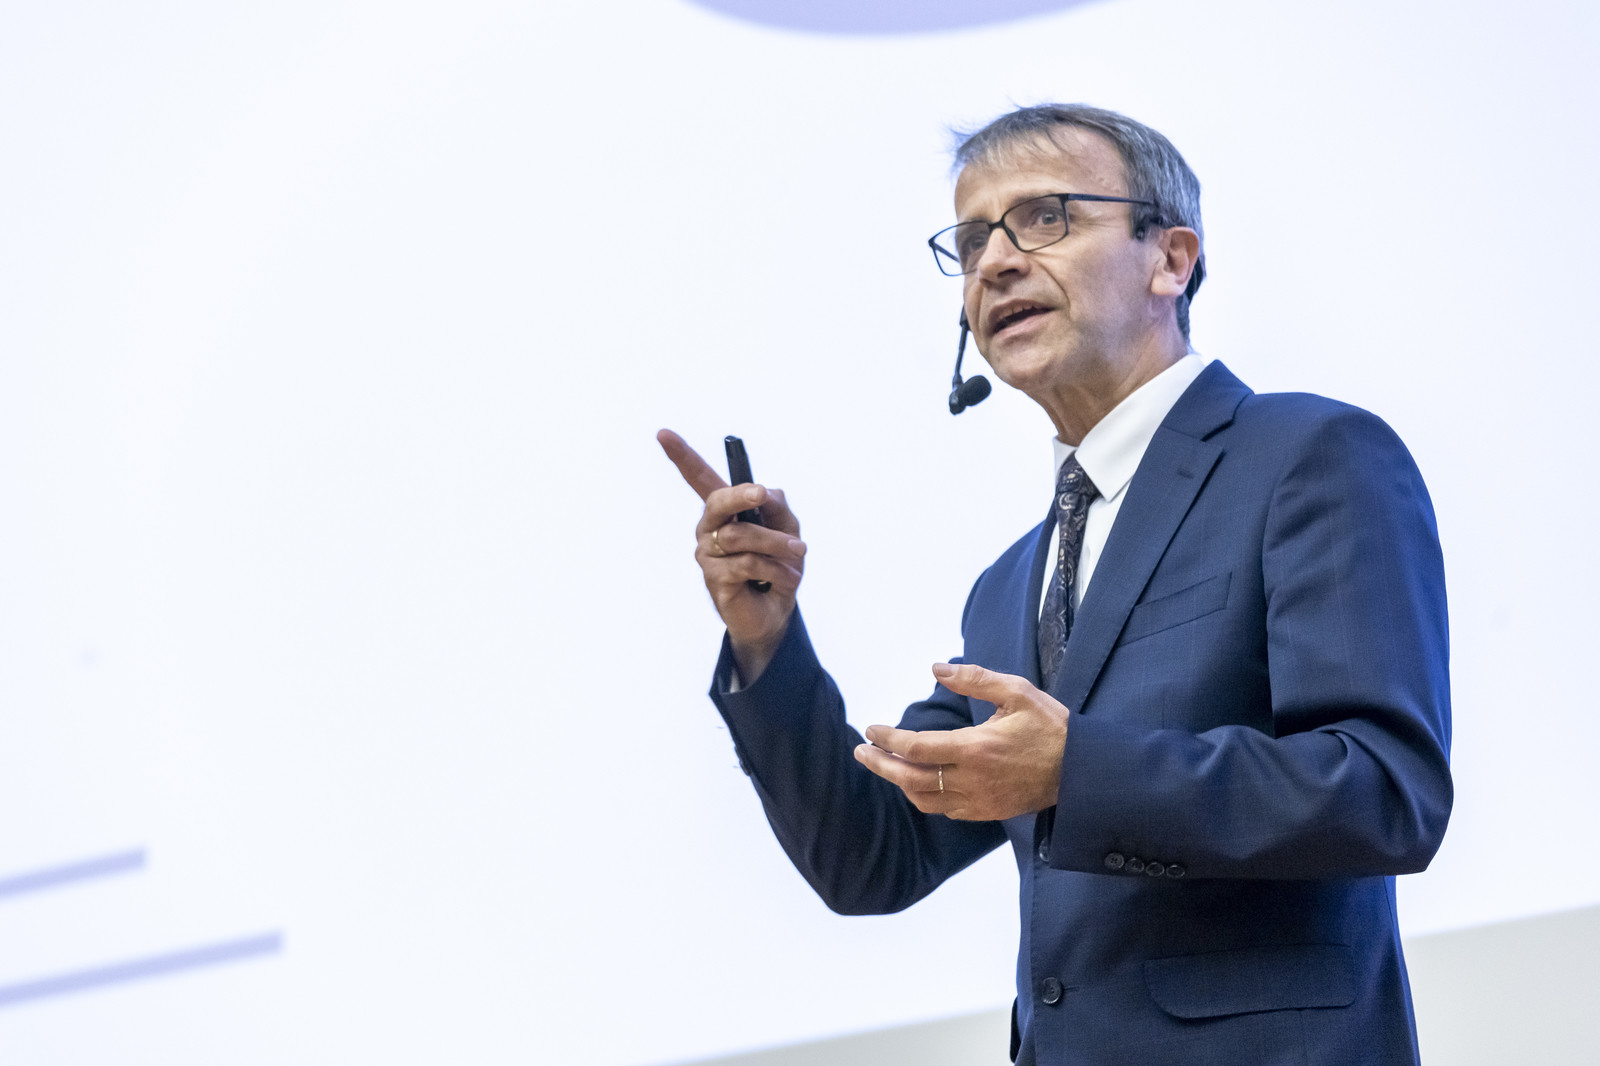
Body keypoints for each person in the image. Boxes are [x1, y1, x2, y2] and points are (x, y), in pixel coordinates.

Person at [658, 103, 1451, 1065]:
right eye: (970, 241)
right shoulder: (1009, 587)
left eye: (1044, 217)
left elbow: (1385, 790)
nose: (994, 262)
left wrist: (1077, 772)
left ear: (1171, 259)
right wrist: (766, 638)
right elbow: (873, 857)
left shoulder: (1309, 457)